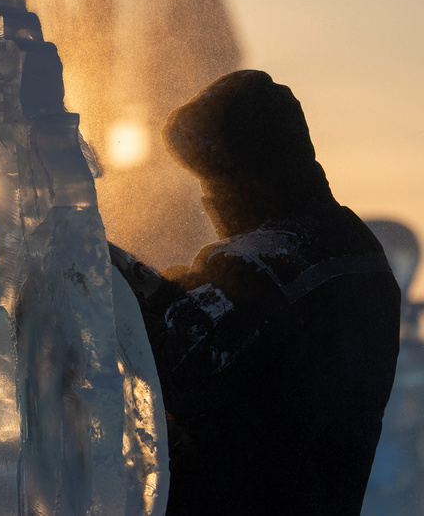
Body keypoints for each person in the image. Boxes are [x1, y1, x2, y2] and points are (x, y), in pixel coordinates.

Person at [111, 70, 401, 515]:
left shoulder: (267, 263)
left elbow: (174, 373)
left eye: (213, 181)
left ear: (250, 173)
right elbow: (248, 343)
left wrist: (115, 292)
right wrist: (169, 294)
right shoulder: (353, 248)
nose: (209, 200)